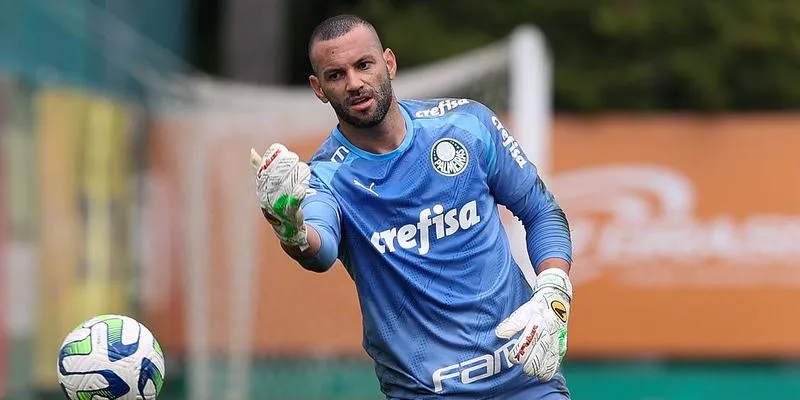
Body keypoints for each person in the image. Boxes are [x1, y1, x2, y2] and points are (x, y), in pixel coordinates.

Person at [250, 14, 574, 400]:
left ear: (388, 63)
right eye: (336, 75)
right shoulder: (326, 176)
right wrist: (291, 227)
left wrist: (554, 290)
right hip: (425, 392)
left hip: (524, 381)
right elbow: (318, 250)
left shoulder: (467, 125)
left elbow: (541, 211)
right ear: (319, 89)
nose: (354, 83)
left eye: (363, 65)